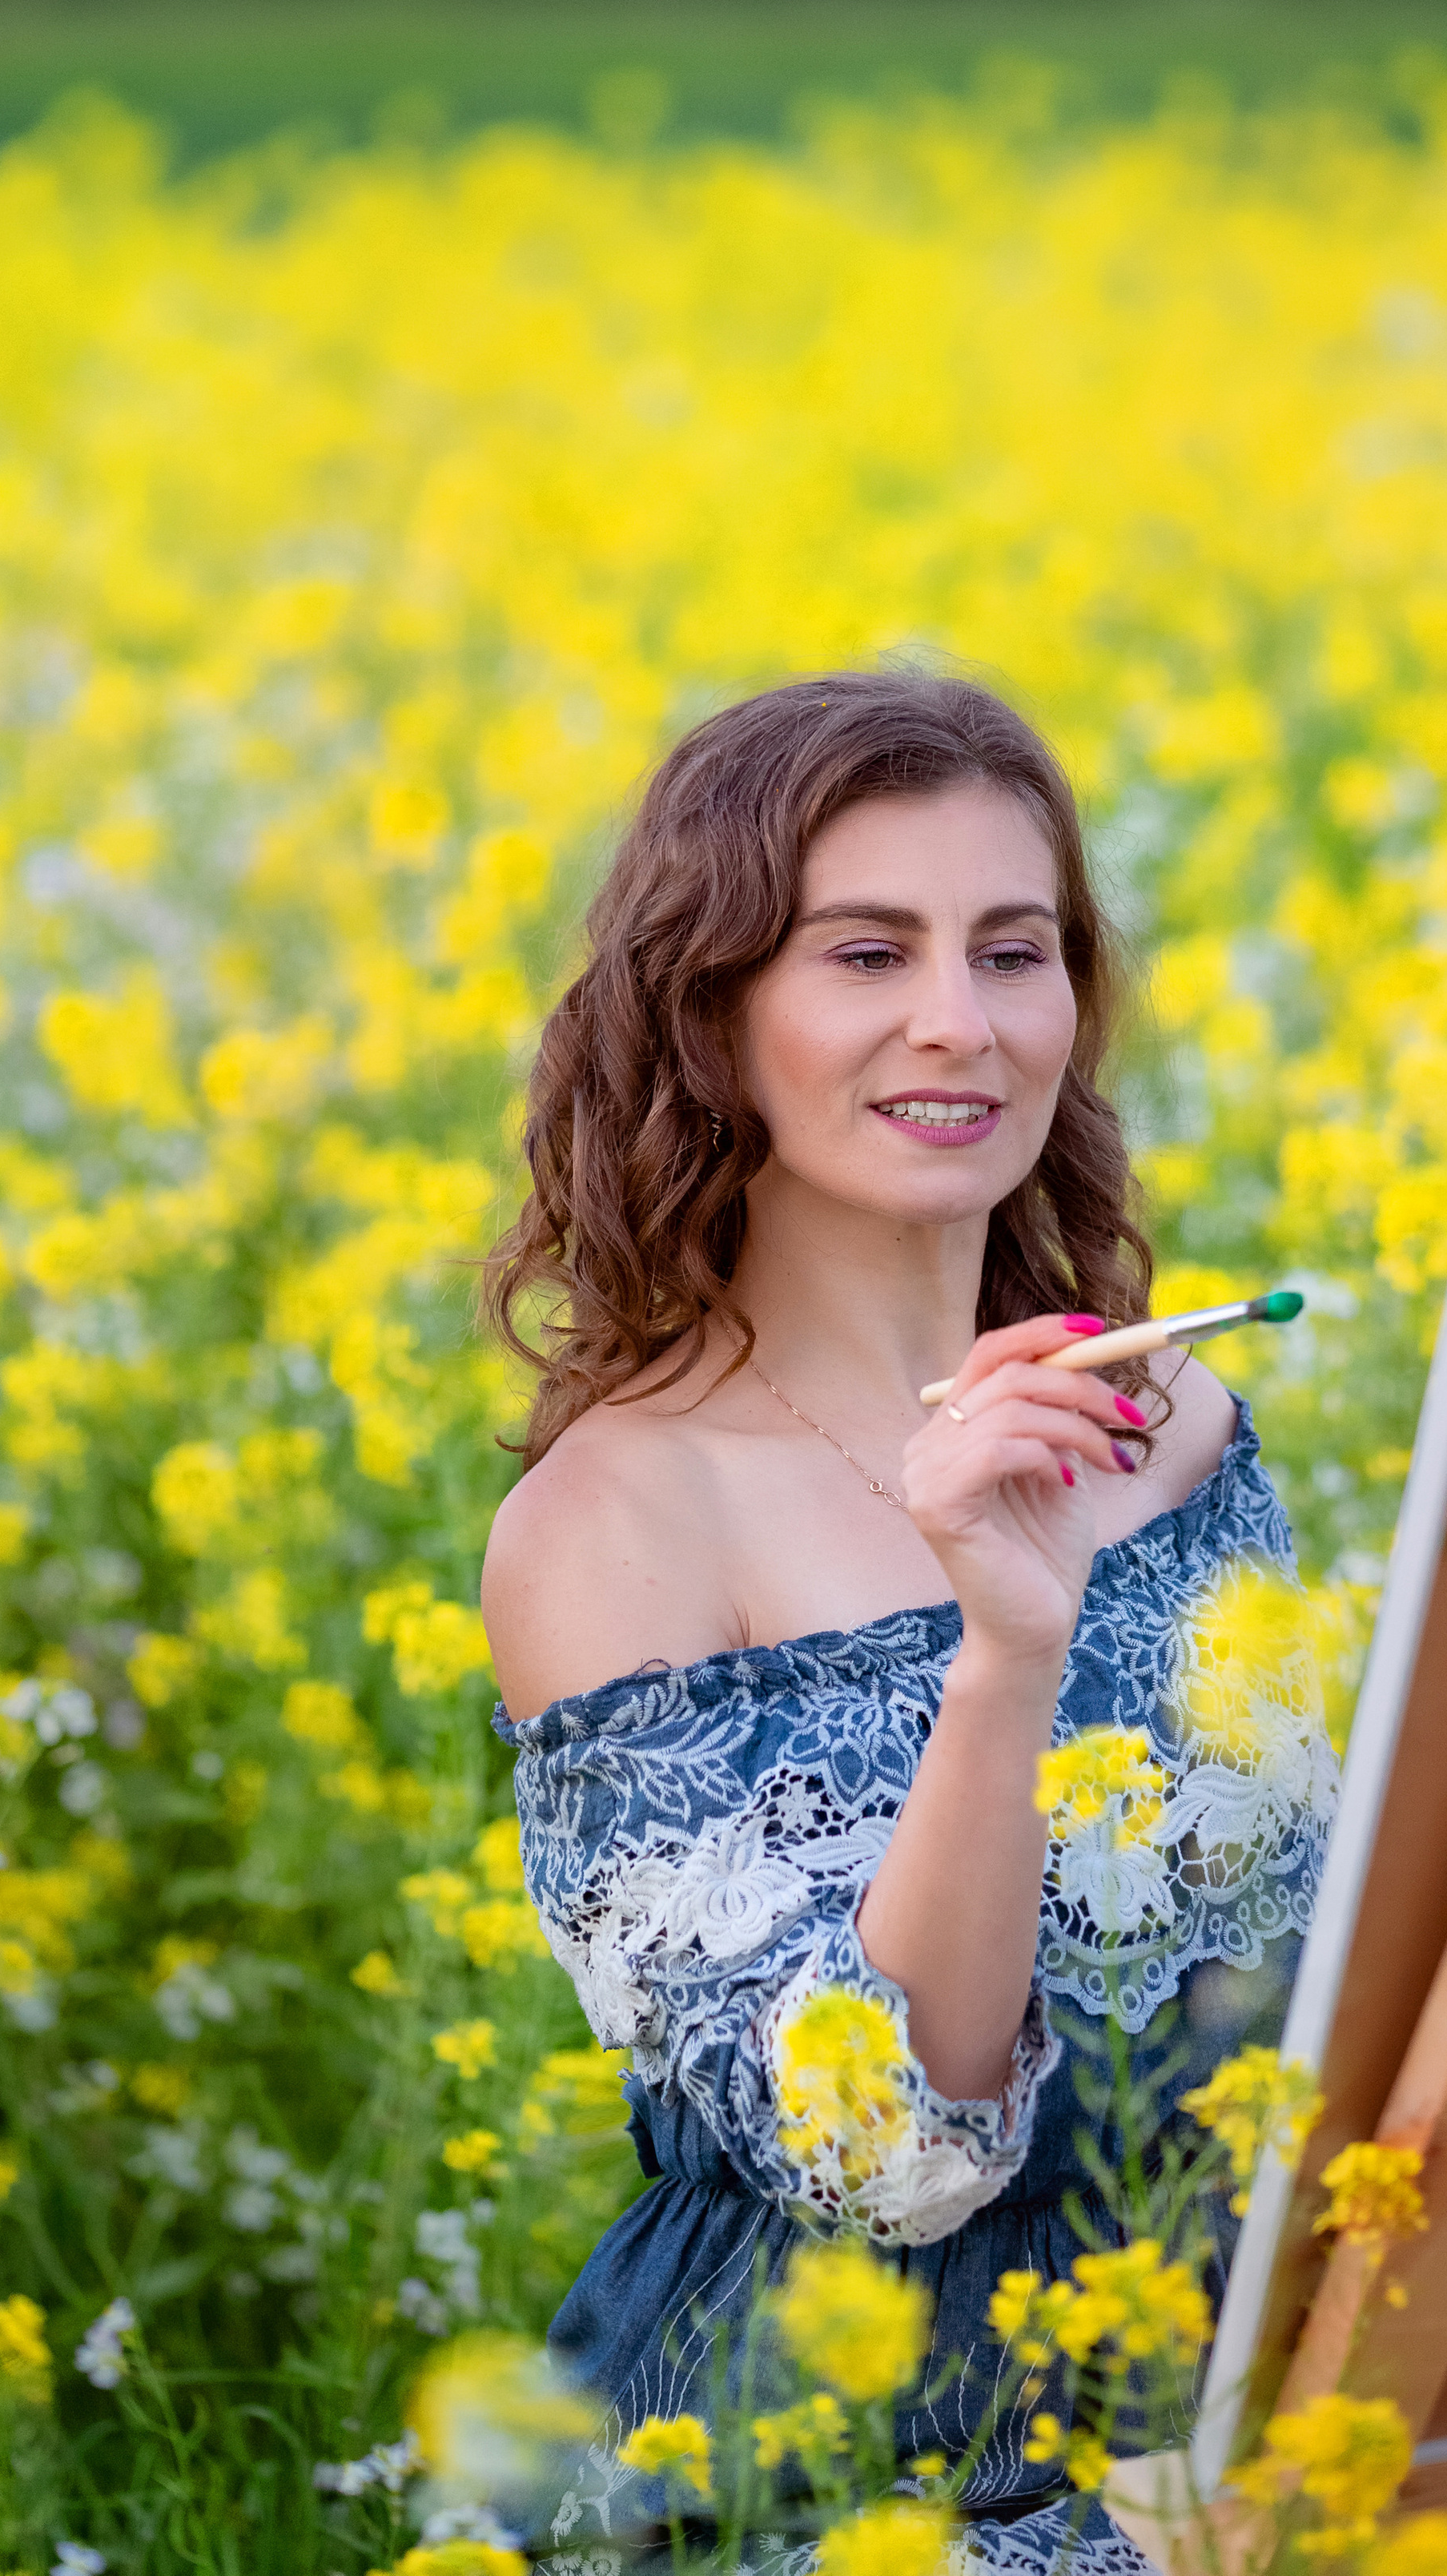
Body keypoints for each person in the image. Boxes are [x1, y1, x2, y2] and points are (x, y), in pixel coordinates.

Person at [478, 671, 1336, 2573]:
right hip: (842, 2494)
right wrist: (1003, 1657)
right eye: (865, 953)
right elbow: (887, 2154)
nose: (958, 1022)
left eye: (1010, 951)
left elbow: (1316, 1943)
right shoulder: (615, 1527)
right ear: (711, 1015)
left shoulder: (1170, 1417)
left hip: (1232, 2443)